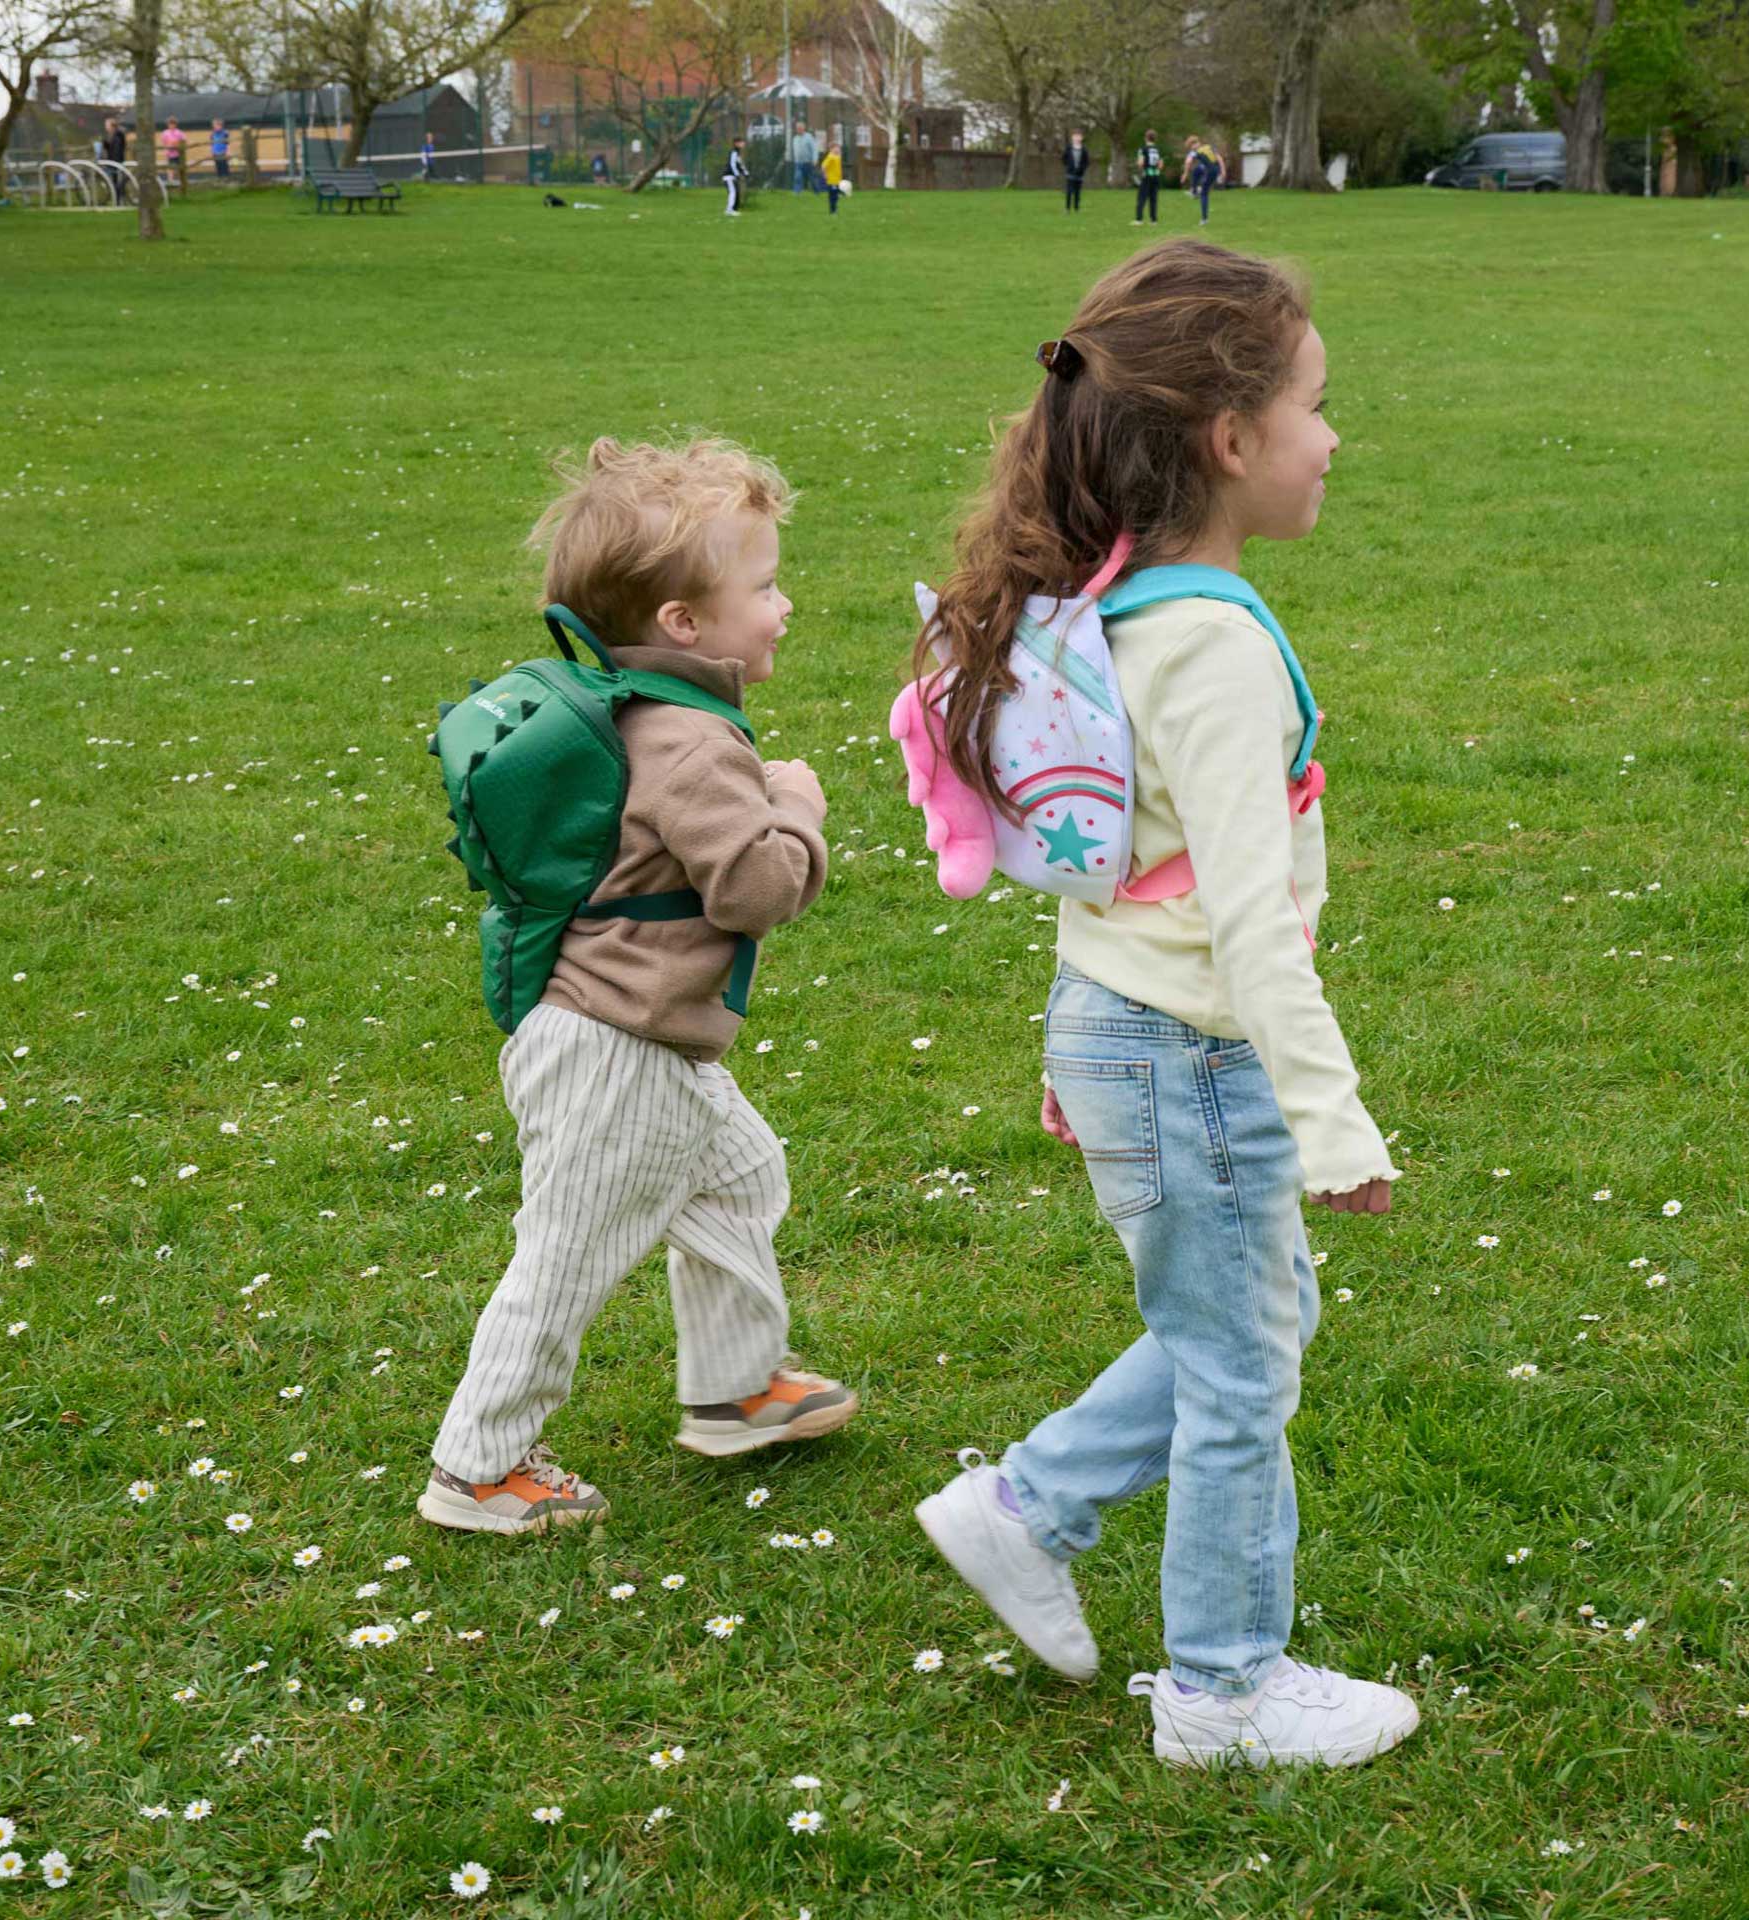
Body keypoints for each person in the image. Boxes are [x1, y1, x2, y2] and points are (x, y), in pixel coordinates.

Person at [912, 239, 1419, 1771]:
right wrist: (1333, 1123)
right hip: (1191, 1050)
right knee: (1241, 1367)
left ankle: (1027, 1507)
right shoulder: (1208, 651)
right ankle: (1223, 1688)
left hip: (1134, 1030)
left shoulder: (1123, 608)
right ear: (1232, 439)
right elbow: (1250, 926)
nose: (1337, 436)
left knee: (1239, 1329)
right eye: (1321, 404)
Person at [418, 435, 858, 1535]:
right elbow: (755, 888)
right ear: (683, 626)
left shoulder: (635, 711)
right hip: (619, 1048)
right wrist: (793, 803)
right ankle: (479, 1468)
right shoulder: (698, 744)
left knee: (741, 1176)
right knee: (566, 1256)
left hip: (625, 1036)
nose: (784, 603)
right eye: (762, 586)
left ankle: (735, 1390)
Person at [1183, 133, 1220, 225]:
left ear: (1193, 144)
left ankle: (1204, 219)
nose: (1191, 148)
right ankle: (1194, 191)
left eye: (1190, 146)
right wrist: (1223, 171)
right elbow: (1219, 158)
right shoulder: (1208, 147)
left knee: (1204, 194)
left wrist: (1185, 174)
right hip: (1215, 169)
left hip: (1210, 171)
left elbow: (1188, 162)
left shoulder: (1195, 151)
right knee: (1197, 169)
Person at [1132, 128, 1162, 224]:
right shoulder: (1157, 149)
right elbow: (1160, 164)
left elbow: (1141, 163)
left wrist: (1140, 169)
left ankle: (1139, 219)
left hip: (1146, 174)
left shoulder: (1143, 149)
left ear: (1146, 138)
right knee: (1153, 198)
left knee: (1142, 197)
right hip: (1156, 175)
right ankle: (1153, 220)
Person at [100, 116, 128, 203]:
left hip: (116, 162)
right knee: (114, 181)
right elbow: (111, 148)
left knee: (117, 182)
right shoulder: (112, 135)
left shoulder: (117, 136)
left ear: (111, 126)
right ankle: (117, 199)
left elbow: (117, 150)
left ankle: (118, 200)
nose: (106, 127)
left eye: (107, 125)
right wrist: (106, 144)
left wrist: (113, 162)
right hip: (113, 162)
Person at [1062, 129, 1089, 213]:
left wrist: (1082, 169)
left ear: (1081, 138)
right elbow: (1063, 158)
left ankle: (1076, 208)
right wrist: (1069, 166)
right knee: (1069, 192)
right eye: (1075, 136)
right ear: (1072, 137)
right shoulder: (1068, 148)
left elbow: (1087, 161)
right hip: (1070, 173)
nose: (1077, 138)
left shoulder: (1084, 149)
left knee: (1077, 192)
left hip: (1079, 174)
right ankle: (1067, 209)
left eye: (1079, 136)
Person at [722, 135, 748, 215]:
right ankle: (729, 210)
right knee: (733, 192)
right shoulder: (734, 153)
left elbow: (740, 165)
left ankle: (733, 209)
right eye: (741, 142)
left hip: (732, 176)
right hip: (728, 176)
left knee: (736, 192)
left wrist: (746, 173)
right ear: (736, 143)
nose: (743, 144)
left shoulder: (737, 153)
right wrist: (737, 174)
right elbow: (732, 164)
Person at [792, 120, 817, 193]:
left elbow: (814, 149)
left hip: (808, 162)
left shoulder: (809, 137)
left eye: (800, 128)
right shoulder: (795, 138)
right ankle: (797, 192)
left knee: (812, 179)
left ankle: (817, 191)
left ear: (803, 128)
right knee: (797, 177)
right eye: (797, 128)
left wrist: (815, 159)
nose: (798, 129)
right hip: (798, 162)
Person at [159, 116, 184, 187]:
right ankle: (170, 181)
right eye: (170, 124)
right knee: (170, 168)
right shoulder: (165, 133)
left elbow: (183, 141)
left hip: (178, 153)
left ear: (175, 124)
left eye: (173, 124)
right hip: (170, 154)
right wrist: (169, 145)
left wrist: (176, 143)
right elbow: (164, 142)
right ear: (168, 124)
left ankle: (181, 181)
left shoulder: (179, 132)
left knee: (180, 167)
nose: (171, 125)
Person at [822, 138, 843, 214]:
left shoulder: (837, 157)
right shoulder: (830, 157)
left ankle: (834, 210)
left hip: (837, 180)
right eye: (836, 148)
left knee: (836, 196)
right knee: (833, 197)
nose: (838, 150)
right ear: (831, 149)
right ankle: (833, 211)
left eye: (839, 148)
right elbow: (824, 166)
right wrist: (825, 174)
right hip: (832, 180)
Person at [210, 117, 230, 183]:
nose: (215, 127)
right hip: (216, 152)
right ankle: (220, 179)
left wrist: (227, 152)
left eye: (217, 125)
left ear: (221, 126)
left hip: (223, 152)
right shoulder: (212, 134)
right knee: (218, 166)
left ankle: (226, 178)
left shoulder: (225, 133)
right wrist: (212, 152)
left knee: (224, 165)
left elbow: (227, 144)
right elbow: (212, 144)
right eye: (214, 126)